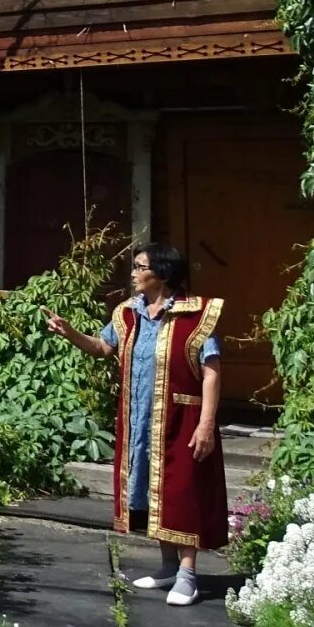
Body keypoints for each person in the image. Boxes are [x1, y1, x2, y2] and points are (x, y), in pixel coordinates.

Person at [44, 244, 227, 605]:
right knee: (151, 491)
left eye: (140, 266)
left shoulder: (196, 315)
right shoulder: (128, 314)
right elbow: (103, 347)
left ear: (162, 274)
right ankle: (168, 567)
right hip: (140, 419)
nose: (132, 272)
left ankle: (188, 575)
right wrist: (70, 333)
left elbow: (211, 371)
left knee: (183, 493)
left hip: (181, 419)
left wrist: (206, 423)